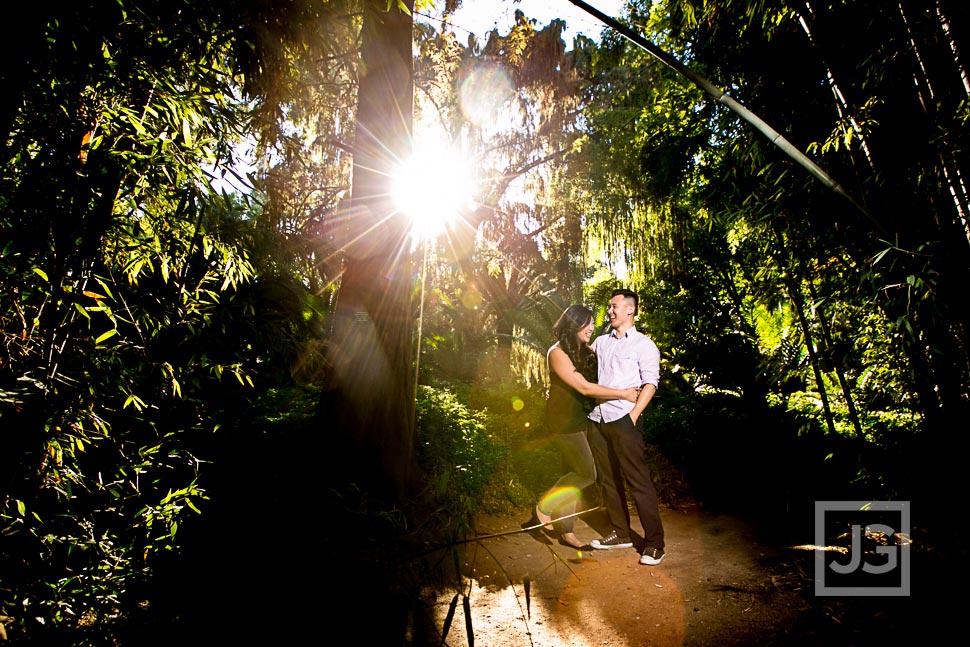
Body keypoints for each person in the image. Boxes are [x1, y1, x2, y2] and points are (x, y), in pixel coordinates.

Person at [534, 305, 639, 549]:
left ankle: (566, 531)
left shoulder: (583, 350)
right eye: (588, 323)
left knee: (572, 474)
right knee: (585, 473)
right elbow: (583, 387)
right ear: (574, 324)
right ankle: (543, 508)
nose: (592, 327)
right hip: (563, 423)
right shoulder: (557, 352)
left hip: (583, 419)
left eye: (593, 323)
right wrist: (623, 394)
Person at [587, 288, 666, 565]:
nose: (609, 311)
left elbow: (651, 383)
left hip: (624, 418)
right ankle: (621, 533)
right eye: (609, 307)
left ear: (630, 310)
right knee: (608, 480)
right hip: (597, 419)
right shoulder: (600, 342)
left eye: (614, 306)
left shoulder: (644, 344)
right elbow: (580, 366)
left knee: (638, 482)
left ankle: (655, 543)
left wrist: (633, 416)